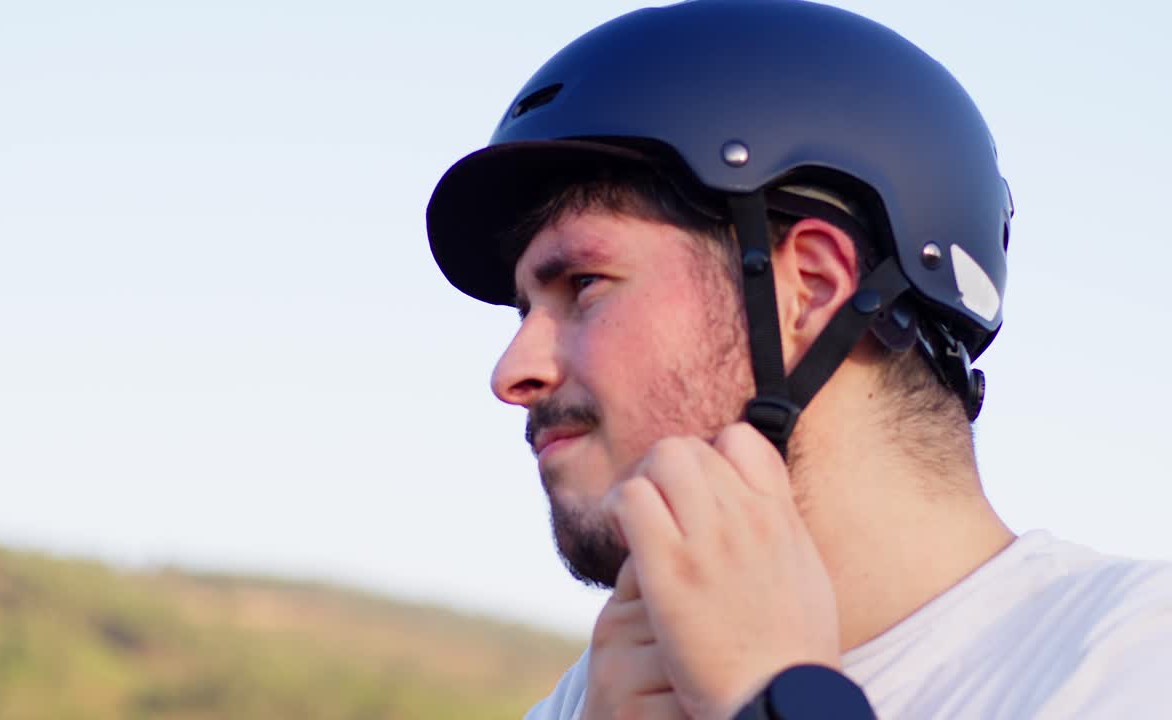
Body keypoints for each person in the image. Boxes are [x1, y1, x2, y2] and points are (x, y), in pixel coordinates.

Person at [425, 1, 1172, 718]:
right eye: (525, 310)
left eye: (584, 284)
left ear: (809, 288)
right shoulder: (594, 698)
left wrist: (777, 701)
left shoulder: (1133, 660)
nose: (512, 372)